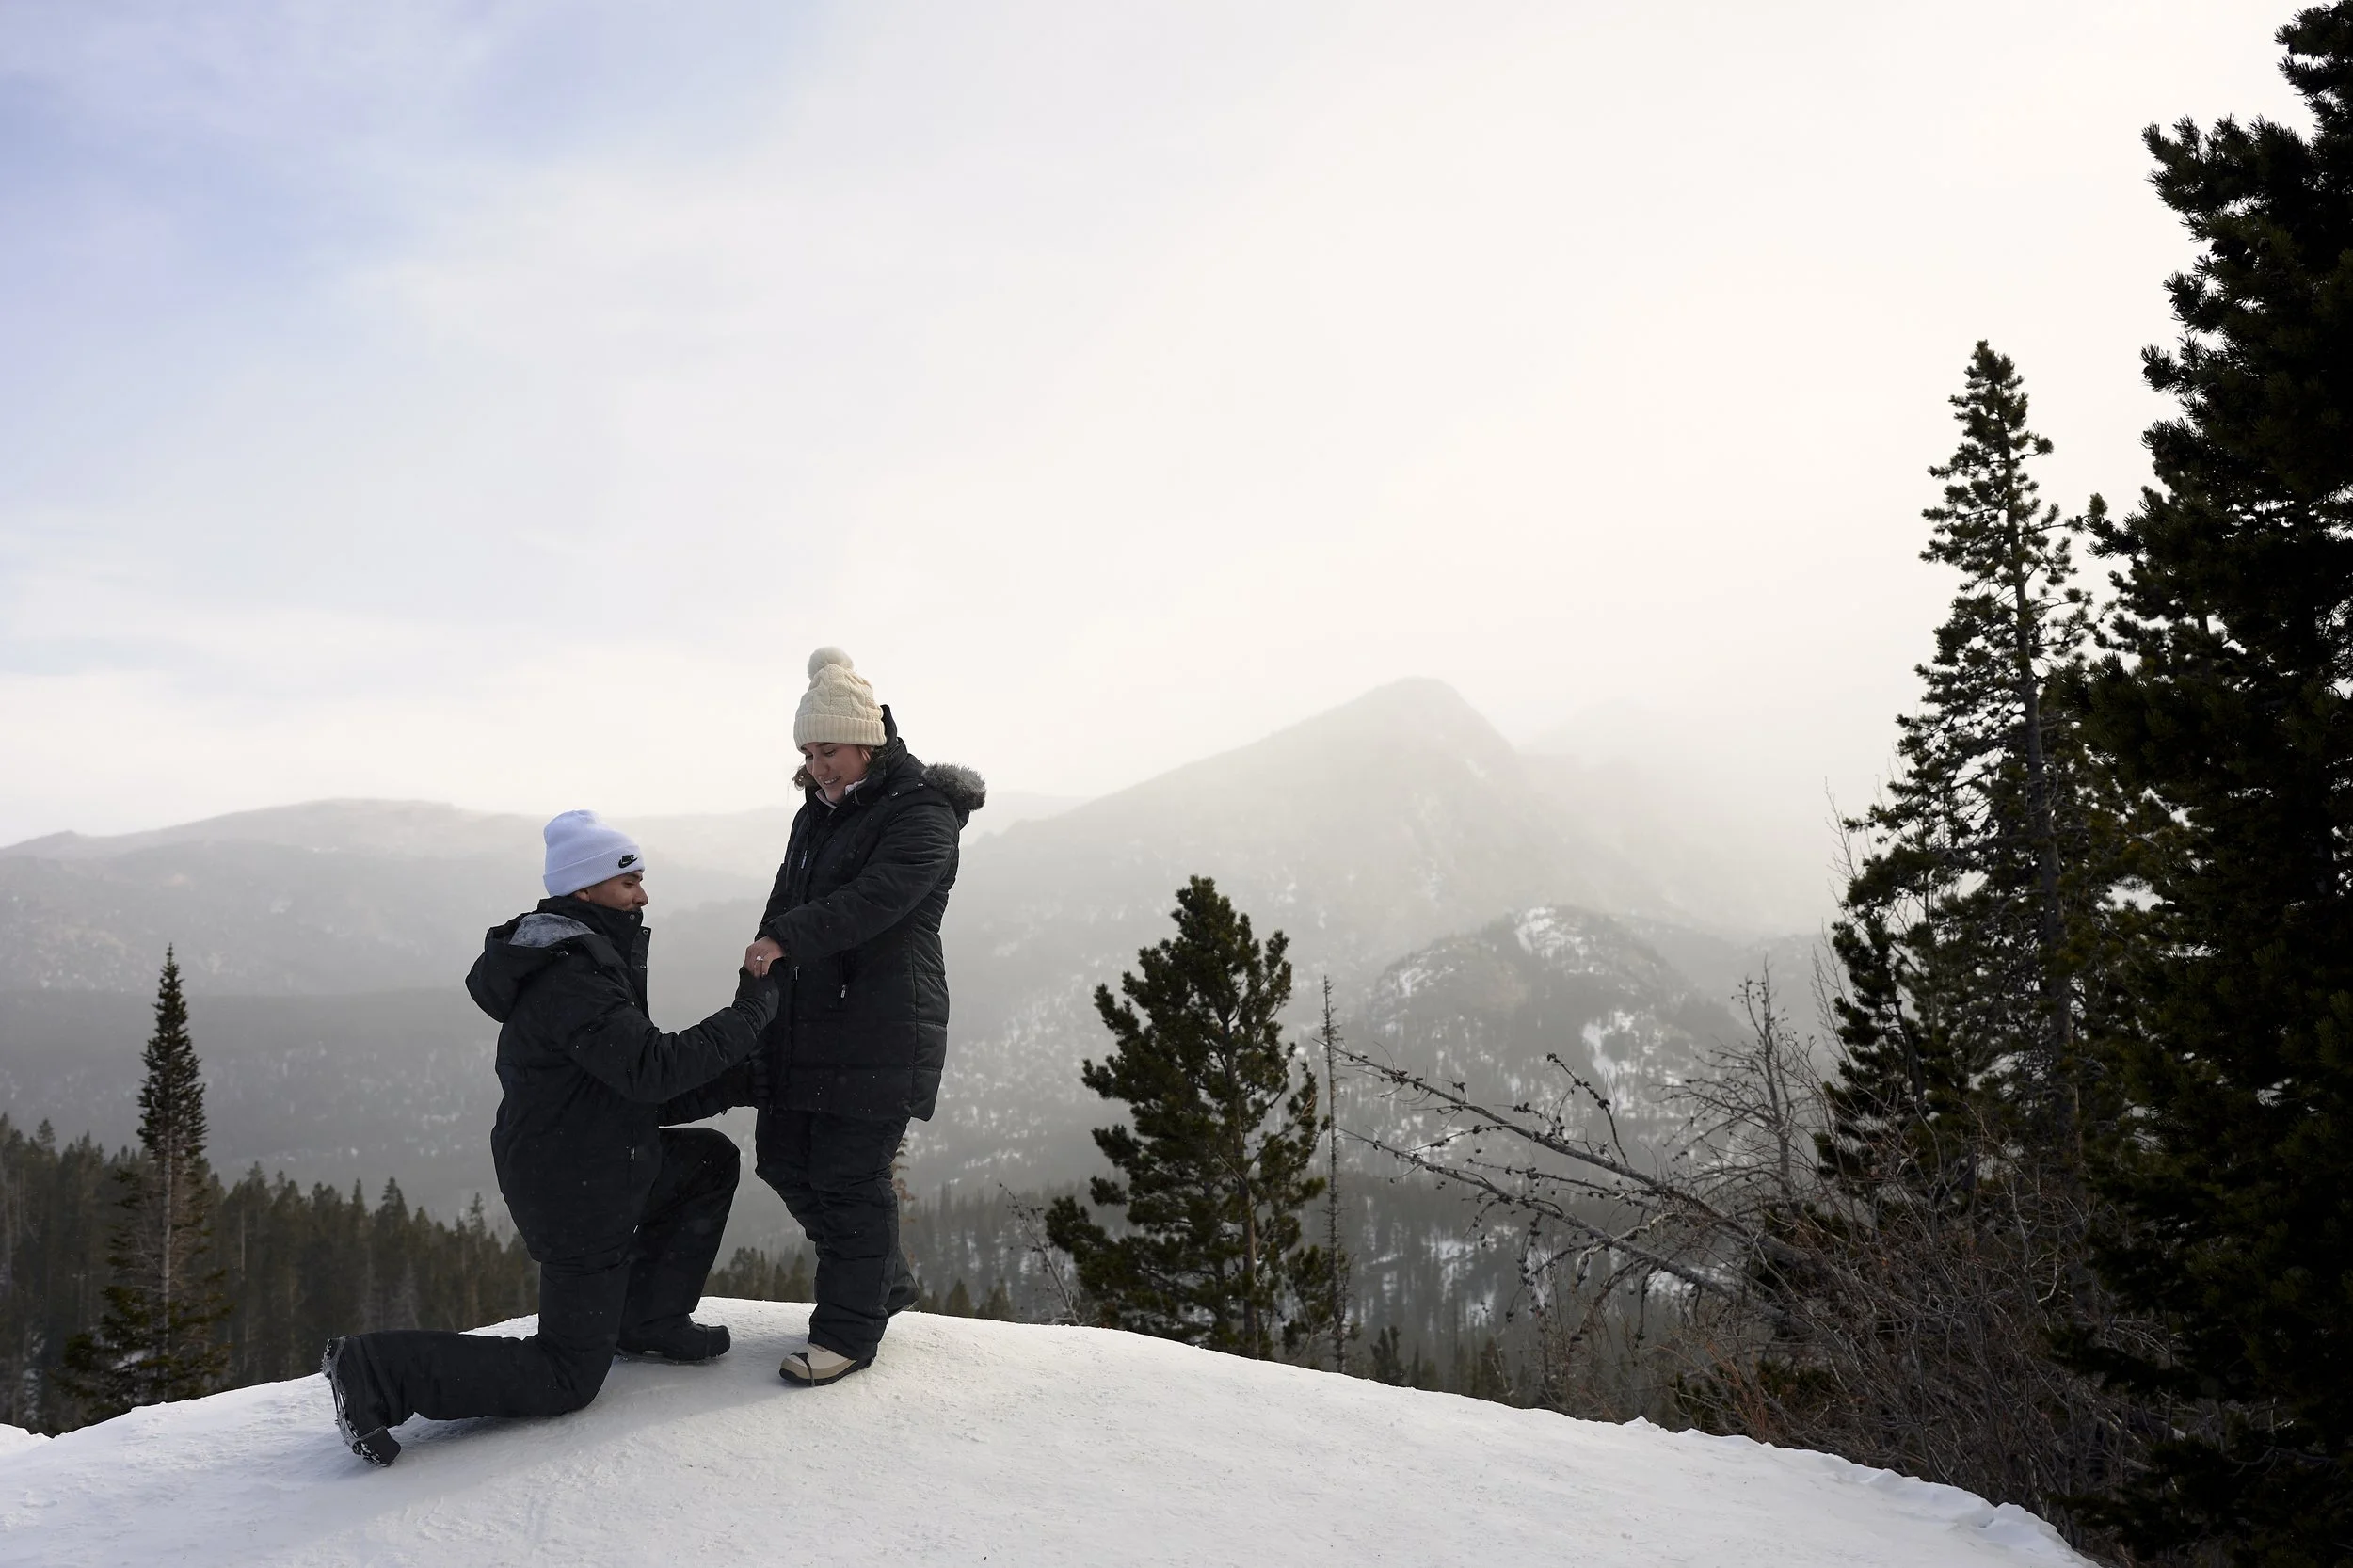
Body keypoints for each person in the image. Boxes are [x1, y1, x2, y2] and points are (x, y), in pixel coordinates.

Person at [320, 809, 777, 1467]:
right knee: (567, 1376)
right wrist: (753, 1011)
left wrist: (740, 1081)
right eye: (629, 883)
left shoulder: (585, 957)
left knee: (707, 1160)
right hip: (574, 1189)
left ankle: (647, 1322)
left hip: (598, 1163)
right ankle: (377, 1371)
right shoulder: (572, 976)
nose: (643, 896)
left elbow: (631, 1088)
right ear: (587, 890)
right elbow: (652, 1067)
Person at [672, 648, 984, 1386]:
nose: (819, 766)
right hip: (808, 1020)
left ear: (867, 741)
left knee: (848, 1175)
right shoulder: (818, 813)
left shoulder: (922, 813)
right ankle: (880, 1284)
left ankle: (848, 1331)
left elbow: (880, 899)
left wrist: (786, 940)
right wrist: (763, 981)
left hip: (881, 1024)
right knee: (782, 1157)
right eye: (808, 753)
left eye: (830, 750)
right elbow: (785, 902)